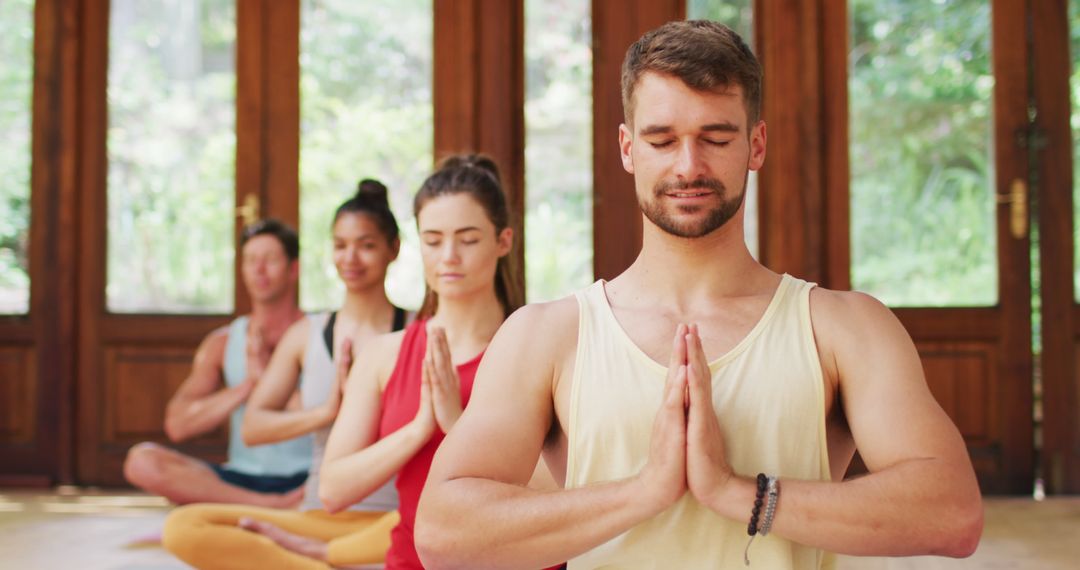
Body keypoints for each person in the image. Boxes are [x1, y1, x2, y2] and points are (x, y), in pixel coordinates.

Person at [414, 20, 984, 569]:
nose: (689, 166)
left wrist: (739, 494)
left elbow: (951, 513)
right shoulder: (546, 337)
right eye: (662, 140)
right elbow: (443, 534)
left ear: (756, 145)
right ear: (627, 148)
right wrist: (645, 491)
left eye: (716, 138)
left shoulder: (844, 327)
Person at [162, 180, 410, 568]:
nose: (351, 258)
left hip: (391, 522)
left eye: (366, 245)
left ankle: (328, 560)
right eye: (340, 245)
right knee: (184, 525)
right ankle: (321, 561)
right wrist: (324, 414)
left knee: (442, 523)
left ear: (393, 249)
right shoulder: (306, 334)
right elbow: (253, 427)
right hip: (317, 517)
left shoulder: (420, 331)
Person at [123, 219, 312, 508]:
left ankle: (262, 506)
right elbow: (178, 425)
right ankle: (270, 506)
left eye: (270, 259)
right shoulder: (222, 342)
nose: (259, 269)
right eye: (251, 260)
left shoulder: (320, 334)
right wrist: (246, 387)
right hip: (241, 477)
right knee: (141, 460)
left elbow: (330, 415)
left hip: (309, 476)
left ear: (294, 269)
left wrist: (267, 382)